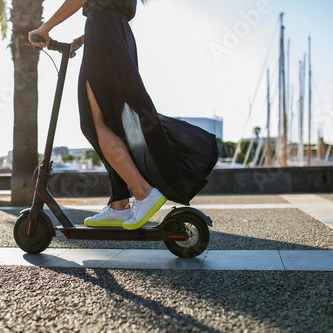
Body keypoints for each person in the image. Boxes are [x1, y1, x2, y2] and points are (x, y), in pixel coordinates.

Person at [29, 0, 218, 230]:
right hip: (115, 32)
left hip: (103, 31)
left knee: (94, 122)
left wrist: (45, 28)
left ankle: (144, 192)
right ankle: (119, 204)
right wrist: (80, 40)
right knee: (113, 120)